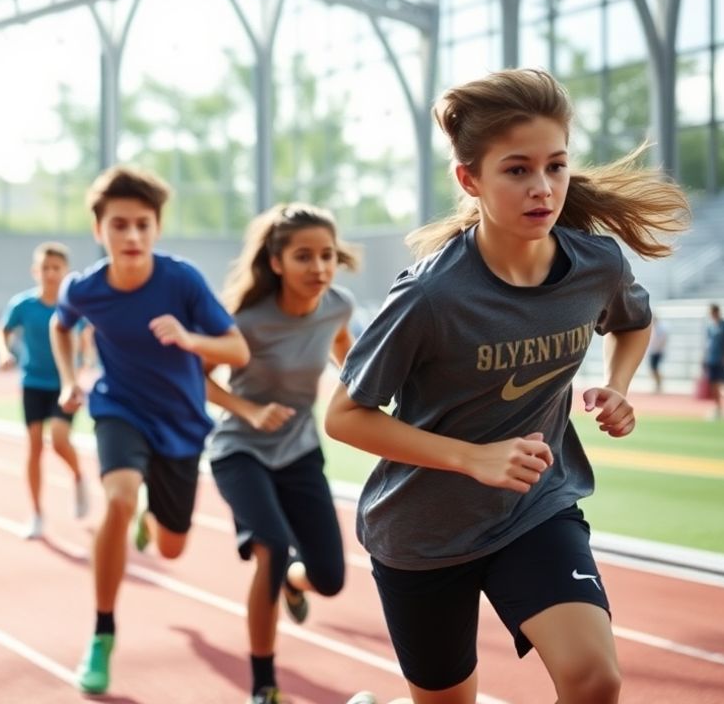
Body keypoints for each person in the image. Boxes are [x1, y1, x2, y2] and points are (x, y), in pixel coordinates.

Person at [325, 68, 689, 704]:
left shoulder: (596, 265)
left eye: (556, 166)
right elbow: (345, 415)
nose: (543, 188)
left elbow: (633, 323)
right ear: (470, 180)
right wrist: (473, 458)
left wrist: (619, 385)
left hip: (534, 508)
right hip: (424, 534)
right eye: (517, 170)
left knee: (594, 680)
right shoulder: (431, 295)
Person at [51, 164, 250, 695]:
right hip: (119, 409)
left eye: (142, 224)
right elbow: (59, 323)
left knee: (171, 549)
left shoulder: (181, 280)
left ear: (157, 227)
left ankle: (149, 512)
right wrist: (69, 379)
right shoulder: (85, 288)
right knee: (116, 499)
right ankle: (102, 633)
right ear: (99, 230)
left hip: (181, 424)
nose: (132, 236)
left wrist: (190, 339)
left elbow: (237, 350)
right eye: (119, 225)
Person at [205, 203, 359, 704]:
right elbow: (197, 377)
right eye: (303, 256)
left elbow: (345, 348)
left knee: (329, 579)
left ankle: (295, 581)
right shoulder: (245, 321)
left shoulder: (338, 306)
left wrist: (360, 384)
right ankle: (263, 686)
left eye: (327, 255)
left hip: (300, 452)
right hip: (240, 451)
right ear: (276, 262)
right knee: (270, 548)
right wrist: (248, 410)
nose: (319, 267)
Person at [0, 241, 90, 540]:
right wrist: (3, 352)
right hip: (33, 383)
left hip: (64, 384)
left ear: (66, 271)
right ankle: (36, 513)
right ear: (36, 271)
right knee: (34, 446)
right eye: (45, 268)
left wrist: (82, 367)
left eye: (56, 268)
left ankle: (78, 476)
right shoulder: (23, 305)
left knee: (60, 441)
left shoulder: (73, 307)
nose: (50, 273)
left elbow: (86, 340)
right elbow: (2, 331)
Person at [703, 303, 724, 419]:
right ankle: (718, 408)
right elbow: (708, 345)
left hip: (723, 360)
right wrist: (705, 358)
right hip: (712, 359)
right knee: (713, 385)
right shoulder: (710, 327)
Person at [646, 312, 667, 393]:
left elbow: (663, 340)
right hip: (652, 351)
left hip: (658, 351)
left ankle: (659, 384)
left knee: (655, 368)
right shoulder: (651, 328)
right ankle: (658, 384)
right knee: (652, 369)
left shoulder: (661, 328)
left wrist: (658, 348)